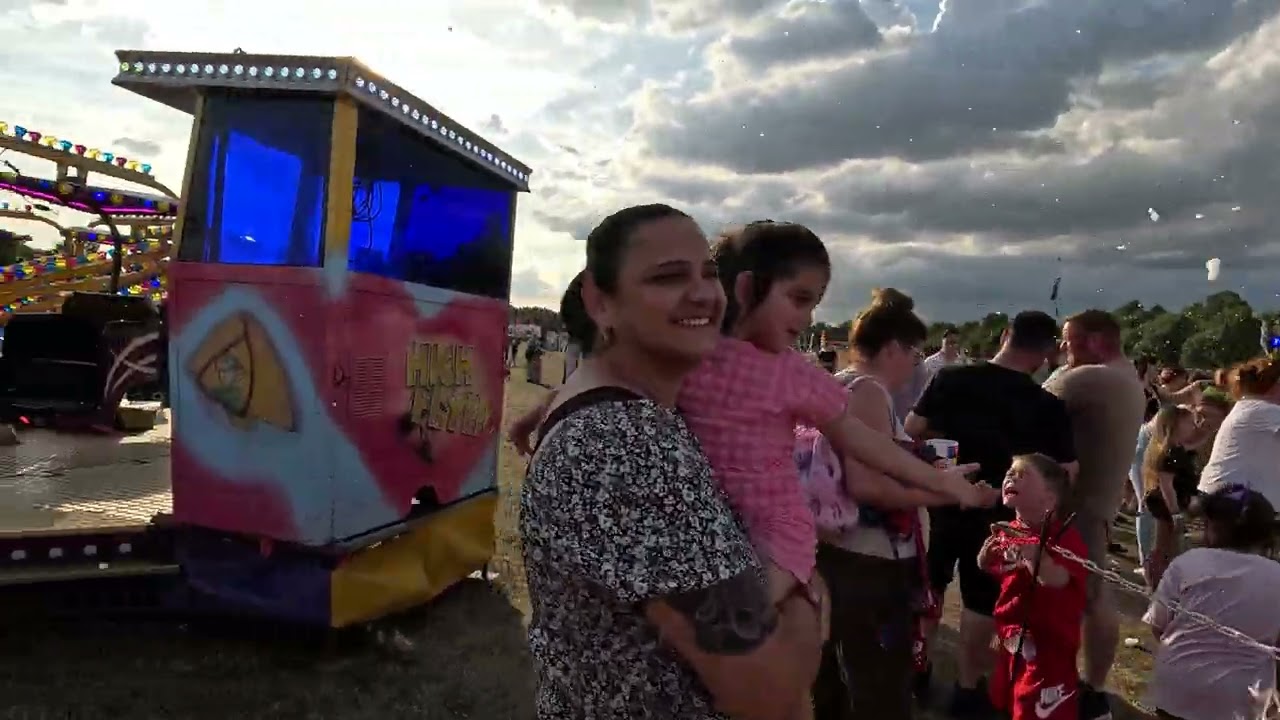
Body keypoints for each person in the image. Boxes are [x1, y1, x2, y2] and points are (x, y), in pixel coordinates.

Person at [518, 210, 990, 719]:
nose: (807, 319)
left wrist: (941, 482)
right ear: (746, 288)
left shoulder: (781, 372)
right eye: (800, 299)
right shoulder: (675, 383)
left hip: (772, 528)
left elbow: (861, 440)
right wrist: (544, 407)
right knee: (761, 659)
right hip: (735, 531)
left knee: (764, 646)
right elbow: (610, 374)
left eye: (703, 274)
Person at [520, 204, 824, 720]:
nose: (705, 293)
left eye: (709, 272)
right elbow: (766, 692)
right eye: (668, 277)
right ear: (600, 301)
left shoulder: (617, 410)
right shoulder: (627, 443)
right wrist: (808, 601)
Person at [905, 310, 1076, 718]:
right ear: (1044, 355)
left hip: (945, 500)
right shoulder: (1047, 405)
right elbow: (1068, 472)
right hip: (1002, 515)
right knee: (981, 603)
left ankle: (917, 665)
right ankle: (967, 687)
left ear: (1004, 337)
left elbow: (913, 426)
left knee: (930, 586)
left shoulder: (951, 378)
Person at [812, 288, 960, 720]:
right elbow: (866, 484)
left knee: (837, 677)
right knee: (879, 683)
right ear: (893, 347)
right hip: (872, 559)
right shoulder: (868, 391)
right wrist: (942, 489)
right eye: (914, 352)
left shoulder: (838, 383)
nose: (916, 362)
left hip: (840, 551)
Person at [1041, 309, 1146, 720]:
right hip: (1098, 504)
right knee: (1097, 599)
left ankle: (1070, 687)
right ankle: (1094, 686)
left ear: (1098, 340)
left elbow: (1032, 402)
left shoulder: (1090, 378)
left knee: (1074, 599)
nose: (1064, 349)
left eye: (1070, 340)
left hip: (1076, 508)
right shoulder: (1128, 378)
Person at [1144, 485, 1280, 720]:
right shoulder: (1276, 575)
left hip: (1177, 687)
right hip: (1240, 699)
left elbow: (1158, 625)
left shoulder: (1188, 562)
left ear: (1210, 527)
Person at [979, 454, 1088, 720]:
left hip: (1049, 648)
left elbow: (1058, 580)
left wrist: (1034, 555)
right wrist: (985, 557)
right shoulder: (1009, 530)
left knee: (1036, 708)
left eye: (1021, 474)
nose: (1010, 477)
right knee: (1007, 697)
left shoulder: (1066, 539)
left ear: (1049, 499)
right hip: (1011, 636)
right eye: (1009, 472)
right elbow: (990, 567)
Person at [1198, 354, 1280, 508]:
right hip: (1232, 499)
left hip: (1227, 494)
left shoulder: (1249, 406)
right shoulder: (1263, 410)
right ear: (1275, 385)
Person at [1139, 405, 1205, 588]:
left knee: (1167, 546)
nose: (1194, 426)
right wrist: (1175, 512)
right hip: (1167, 505)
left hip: (1174, 503)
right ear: (1174, 425)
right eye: (1189, 423)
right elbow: (1167, 486)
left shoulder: (1178, 449)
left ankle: (1160, 579)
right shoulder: (1168, 453)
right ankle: (1156, 582)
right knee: (1163, 546)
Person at [559, 273, 589, 384]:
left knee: (572, 360)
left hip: (577, 329)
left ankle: (569, 383)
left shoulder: (571, 293)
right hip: (584, 330)